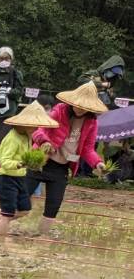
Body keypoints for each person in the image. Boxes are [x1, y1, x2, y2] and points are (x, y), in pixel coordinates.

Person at [28, 81, 107, 235]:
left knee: (54, 205)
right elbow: (39, 130)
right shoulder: (59, 111)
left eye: (84, 106)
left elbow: (87, 149)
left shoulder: (91, 122)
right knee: (21, 196)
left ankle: (40, 237)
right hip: (42, 160)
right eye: (78, 104)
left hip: (62, 166)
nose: (80, 108)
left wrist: (98, 163)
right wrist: (44, 142)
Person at [0, 101, 54, 236]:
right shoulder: (12, 138)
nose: (36, 128)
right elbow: (3, 161)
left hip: (20, 177)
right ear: (24, 124)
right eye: (34, 126)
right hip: (6, 178)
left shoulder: (27, 136)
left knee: (25, 209)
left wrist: (37, 158)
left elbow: (27, 156)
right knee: (7, 213)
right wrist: (20, 164)